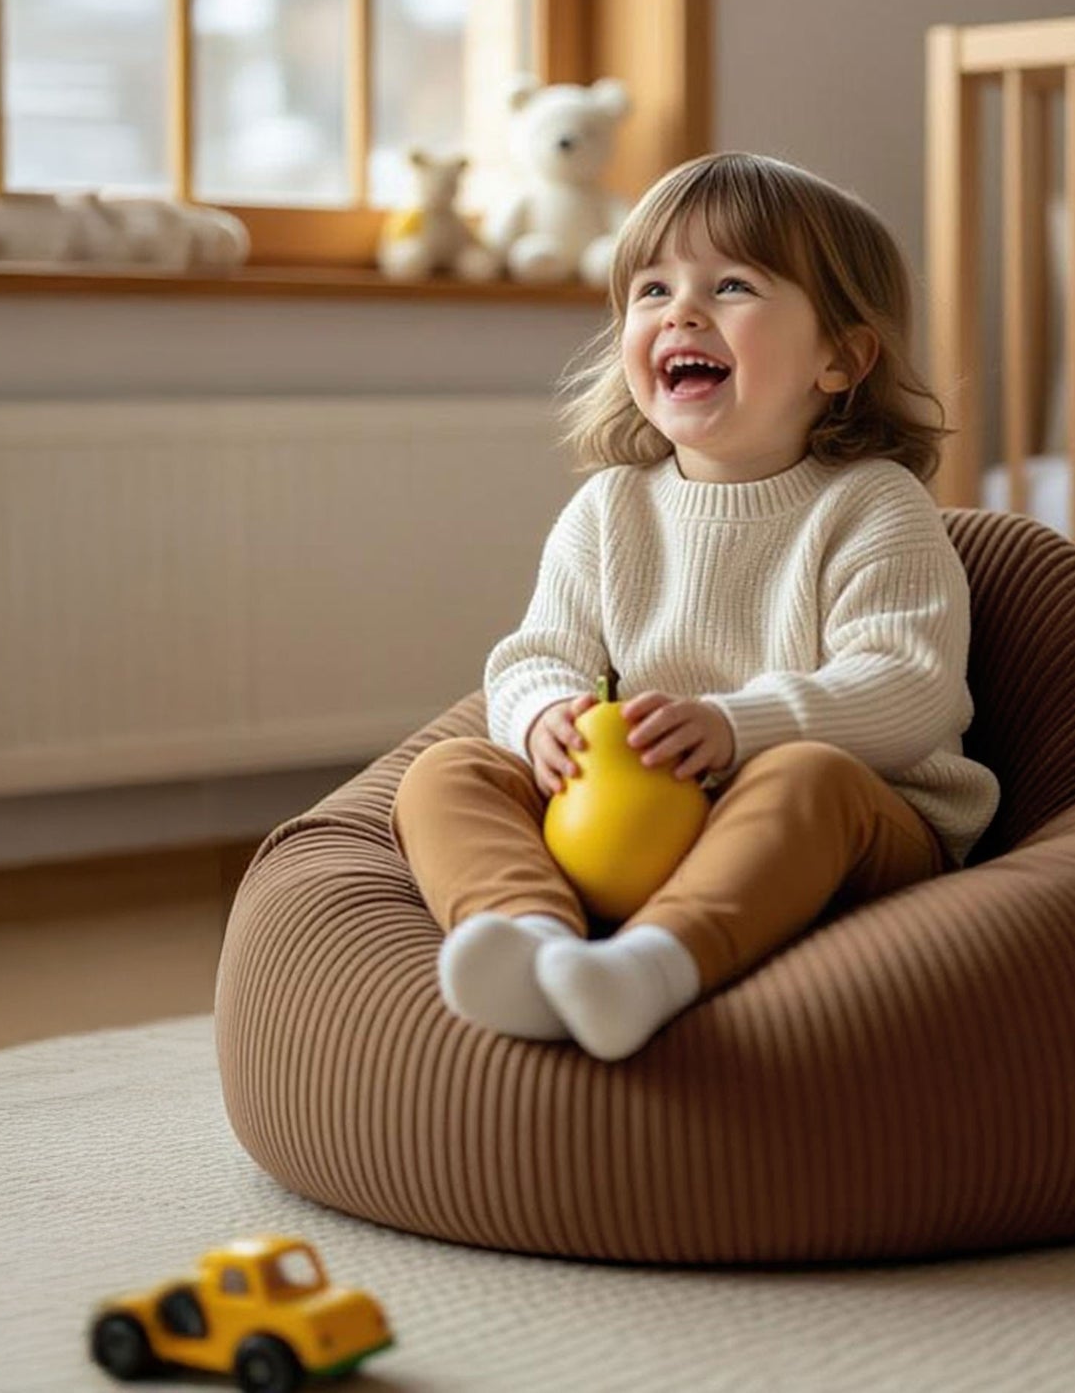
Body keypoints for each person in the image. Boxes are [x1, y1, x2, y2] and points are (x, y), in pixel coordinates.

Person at [391, 152, 1000, 1062]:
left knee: (805, 779)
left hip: (846, 829)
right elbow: (534, 655)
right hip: (632, 823)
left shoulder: (873, 503)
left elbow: (909, 687)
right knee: (444, 774)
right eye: (650, 289)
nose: (680, 310)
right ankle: (531, 941)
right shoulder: (610, 509)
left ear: (840, 357)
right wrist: (544, 720)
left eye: (732, 284)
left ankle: (655, 964)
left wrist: (736, 726)